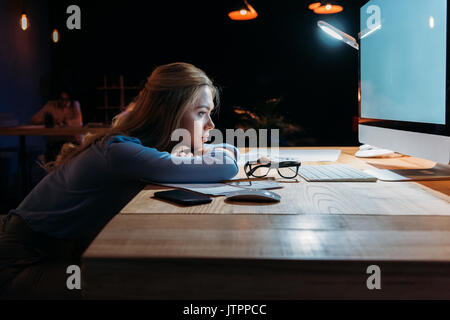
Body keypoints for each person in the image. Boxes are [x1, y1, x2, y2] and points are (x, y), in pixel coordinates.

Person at [0, 62, 239, 299]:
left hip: (59, 255)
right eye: (201, 113)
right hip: (22, 267)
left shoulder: (134, 147)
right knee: (145, 283)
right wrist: (212, 153)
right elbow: (226, 166)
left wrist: (209, 152)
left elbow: (226, 156)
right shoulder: (120, 152)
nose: (211, 124)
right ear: (169, 111)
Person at [30, 91, 83, 162]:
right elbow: (34, 119)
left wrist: (65, 122)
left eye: (67, 100)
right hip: (55, 143)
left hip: (72, 142)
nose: (64, 102)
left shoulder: (74, 105)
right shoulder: (51, 105)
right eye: (62, 99)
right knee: (51, 156)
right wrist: (50, 121)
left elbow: (78, 122)